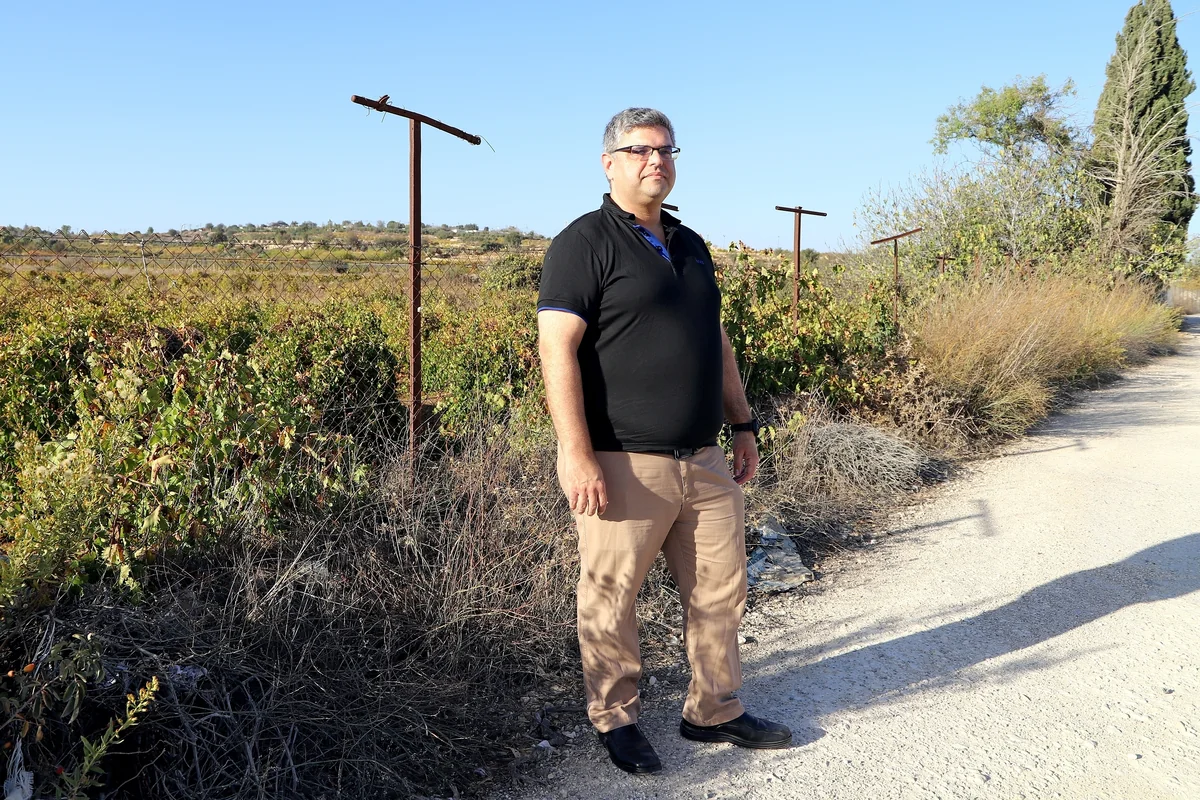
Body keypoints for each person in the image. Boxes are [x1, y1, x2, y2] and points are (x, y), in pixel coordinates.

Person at [536, 107, 792, 775]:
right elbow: (557, 349)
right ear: (609, 163)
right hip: (623, 459)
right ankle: (615, 718)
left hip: (703, 458)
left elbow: (717, 341)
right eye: (641, 150)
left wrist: (742, 423)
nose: (657, 160)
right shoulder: (583, 243)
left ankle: (714, 709)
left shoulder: (690, 243)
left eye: (667, 150)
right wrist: (575, 452)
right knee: (612, 596)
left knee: (720, 591)